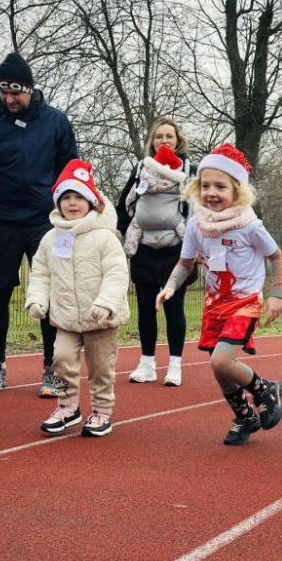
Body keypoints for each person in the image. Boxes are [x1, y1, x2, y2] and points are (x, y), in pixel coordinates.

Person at [0, 53, 79, 397]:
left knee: (51, 293)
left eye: (16, 93)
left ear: (30, 89)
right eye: (4, 93)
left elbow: (71, 174)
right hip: (0, 220)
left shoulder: (56, 122)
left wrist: (71, 215)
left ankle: (50, 367)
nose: (10, 99)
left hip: (46, 221)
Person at [156, 143, 282, 446]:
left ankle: (265, 389)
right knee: (221, 371)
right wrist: (171, 286)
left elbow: (276, 256)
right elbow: (186, 264)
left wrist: (276, 294)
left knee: (221, 361)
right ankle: (244, 418)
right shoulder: (197, 225)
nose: (212, 192)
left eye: (220, 186)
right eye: (206, 186)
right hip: (215, 306)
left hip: (244, 302)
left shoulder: (249, 226)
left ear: (237, 190)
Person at [26, 160, 129, 437]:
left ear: (92, 201)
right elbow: (41, 273)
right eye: (66, 197)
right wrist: (37, 299)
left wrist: (106, 303)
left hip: (101, 319)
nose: (72, 203)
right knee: (60, 359)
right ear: (58, 202)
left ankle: (102, 412)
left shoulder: (105, 237)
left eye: (79, 197)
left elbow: (117, 274)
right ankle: (68, 407)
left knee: (101, 369)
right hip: (67, 318)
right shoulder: (51, 238)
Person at [116, 117, 195, 387]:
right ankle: (147, 363)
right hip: (144, 249)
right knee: (146, 308)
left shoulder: (188, 168)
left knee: (174, 308)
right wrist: (122, 231)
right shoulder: (141, 168)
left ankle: (175, 365)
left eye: (169, 136)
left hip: (177, 250)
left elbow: (197, 204)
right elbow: (124, 201)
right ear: (152, 141)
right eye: (159, 136)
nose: (164, 141)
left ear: (178, 140)